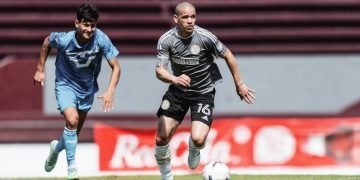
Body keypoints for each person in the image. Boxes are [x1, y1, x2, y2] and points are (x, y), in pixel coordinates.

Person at [154, 2, 255, 180]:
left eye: (193, 16)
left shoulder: (205, 37)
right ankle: (167, 177)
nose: (190, 21)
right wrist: (174, 78)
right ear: (176, 19)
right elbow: (159, 70)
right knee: (162, 137)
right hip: (177, 91)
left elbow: (228, 55)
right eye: (185, 17)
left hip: (203, 93)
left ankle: (194, 149)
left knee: (199, 139)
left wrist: (239, 84)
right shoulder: (166, 40)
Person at [33, 3, 121, 180]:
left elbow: (116, 67)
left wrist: (110, 91)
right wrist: (40, 69)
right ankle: (72, 168)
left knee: (72, 133)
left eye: (93, 25)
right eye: (86, 24)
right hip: (65, 85)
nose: (90, 29)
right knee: (71, 120)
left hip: (87, 88)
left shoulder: (101, 39)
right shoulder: (65, 39)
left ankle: (56, 149)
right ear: (77, 24)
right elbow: (47, 42)